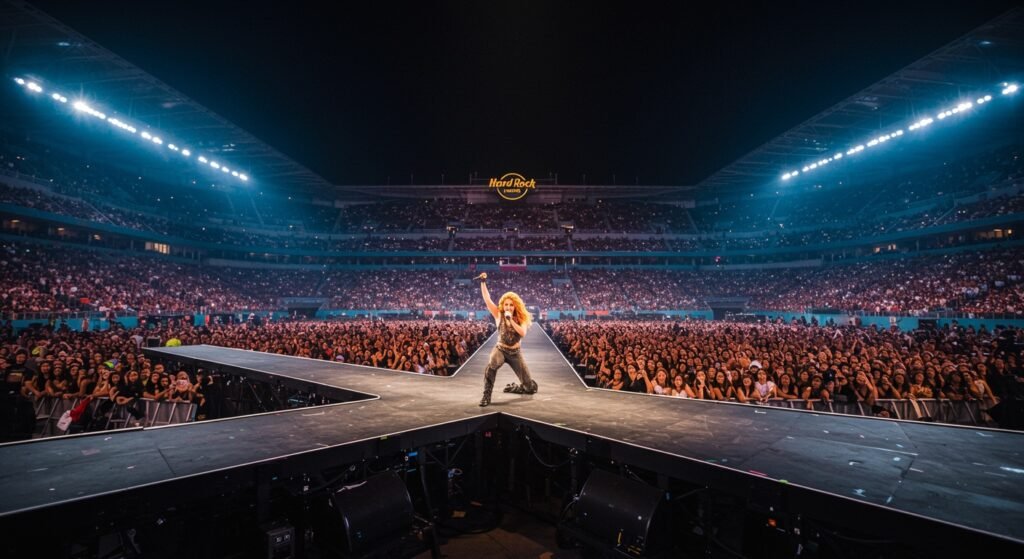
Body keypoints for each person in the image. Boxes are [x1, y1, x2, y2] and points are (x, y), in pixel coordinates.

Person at [477, 273, 538, 407]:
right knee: (492, 363)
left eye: (511, 305)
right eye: (506, 304)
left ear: (515, 306)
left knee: (530, 388)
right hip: (501, 349)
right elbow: (487, 299)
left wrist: (511, 321)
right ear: (503, 305)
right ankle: (486, 395)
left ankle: (518, 387)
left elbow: (522, 333)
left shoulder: (521, 319)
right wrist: (483, 282)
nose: (508, 307)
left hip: (515, 353)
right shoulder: (498, 314)